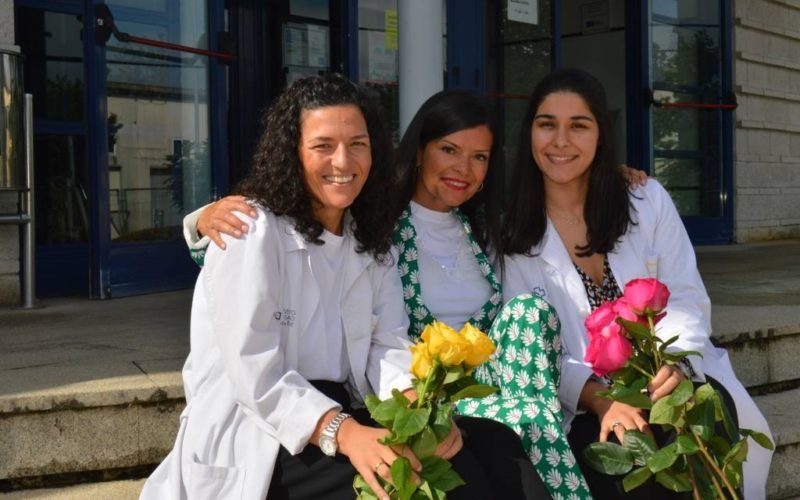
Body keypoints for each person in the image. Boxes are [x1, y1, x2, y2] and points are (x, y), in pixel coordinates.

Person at [140, 74, 505, 500]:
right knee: (414, 489)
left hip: (341, 410)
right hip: (262, 431)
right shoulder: (250, 231)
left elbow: (385, 342)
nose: (343, 161)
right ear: (292, 153)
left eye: (357, 144)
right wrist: (346, 433)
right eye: (322, 146)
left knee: (476, 456)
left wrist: (414, 409)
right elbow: (256, 375)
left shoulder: (369, 237)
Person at [499, 68, 773, 499]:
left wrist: (676, 364)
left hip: (671, 376)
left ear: (601, 136)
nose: (560, 141)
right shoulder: (511, 231)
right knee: (629, 461)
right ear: (529, 133)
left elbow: (684, 295)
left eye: (579, 125)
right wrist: (599, 399)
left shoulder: (645, 201)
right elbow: (533, 344)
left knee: (705, 439)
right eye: (546, 124)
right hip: (583, 401)